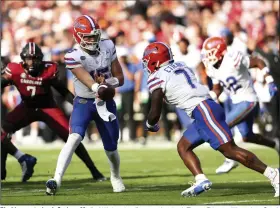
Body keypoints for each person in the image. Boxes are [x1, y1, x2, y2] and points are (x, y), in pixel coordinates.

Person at [142, 41, 279, 197]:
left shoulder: (157, 76)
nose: (146, 64)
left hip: (203, 110)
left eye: (147, 60)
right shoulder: (181, 65)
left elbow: (155, 111)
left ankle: (273, 174)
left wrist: (150, 123)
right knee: (183, 146)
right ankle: (201, 179)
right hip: (205, 109)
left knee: (230, 151)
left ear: (155, 60)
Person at [1, 42, 105, 182]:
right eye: (28, 58)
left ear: (41, 59)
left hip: (48, 107)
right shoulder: (14, 69)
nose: (32, 62)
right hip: (27, 107)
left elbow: (62, 91)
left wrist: (79, 105)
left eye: (35, 58)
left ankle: (94, 170)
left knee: (72, 138)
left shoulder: (49, 69)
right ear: (23, 59)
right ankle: (3, 169)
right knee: (3, 129)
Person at [46, 15, 125, 195]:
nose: (91, 39)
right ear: (78, 37)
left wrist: (108, 83)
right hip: (84, 101)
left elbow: (120, 78)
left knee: (111, 147)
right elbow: (88, 80)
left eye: (93, 35)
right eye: (86, 36)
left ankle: (115, 175)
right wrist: (99, 86)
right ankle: (56, 179)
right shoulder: (72, 56)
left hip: (105, 102)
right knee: (74, 137)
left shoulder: (108, 45)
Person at [199, 37, 279, 174]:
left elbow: (258, 62)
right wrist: (209, 98)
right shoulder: (212, 68)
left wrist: (269, 80)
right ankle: (276, 144)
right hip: (237, 102)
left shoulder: (233, 58)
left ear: (220, 51)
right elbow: (217, 89)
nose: (207, 56)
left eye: (210, 52)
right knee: (247, 136)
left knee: (222, 126)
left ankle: (231, 159)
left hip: (248, 100)